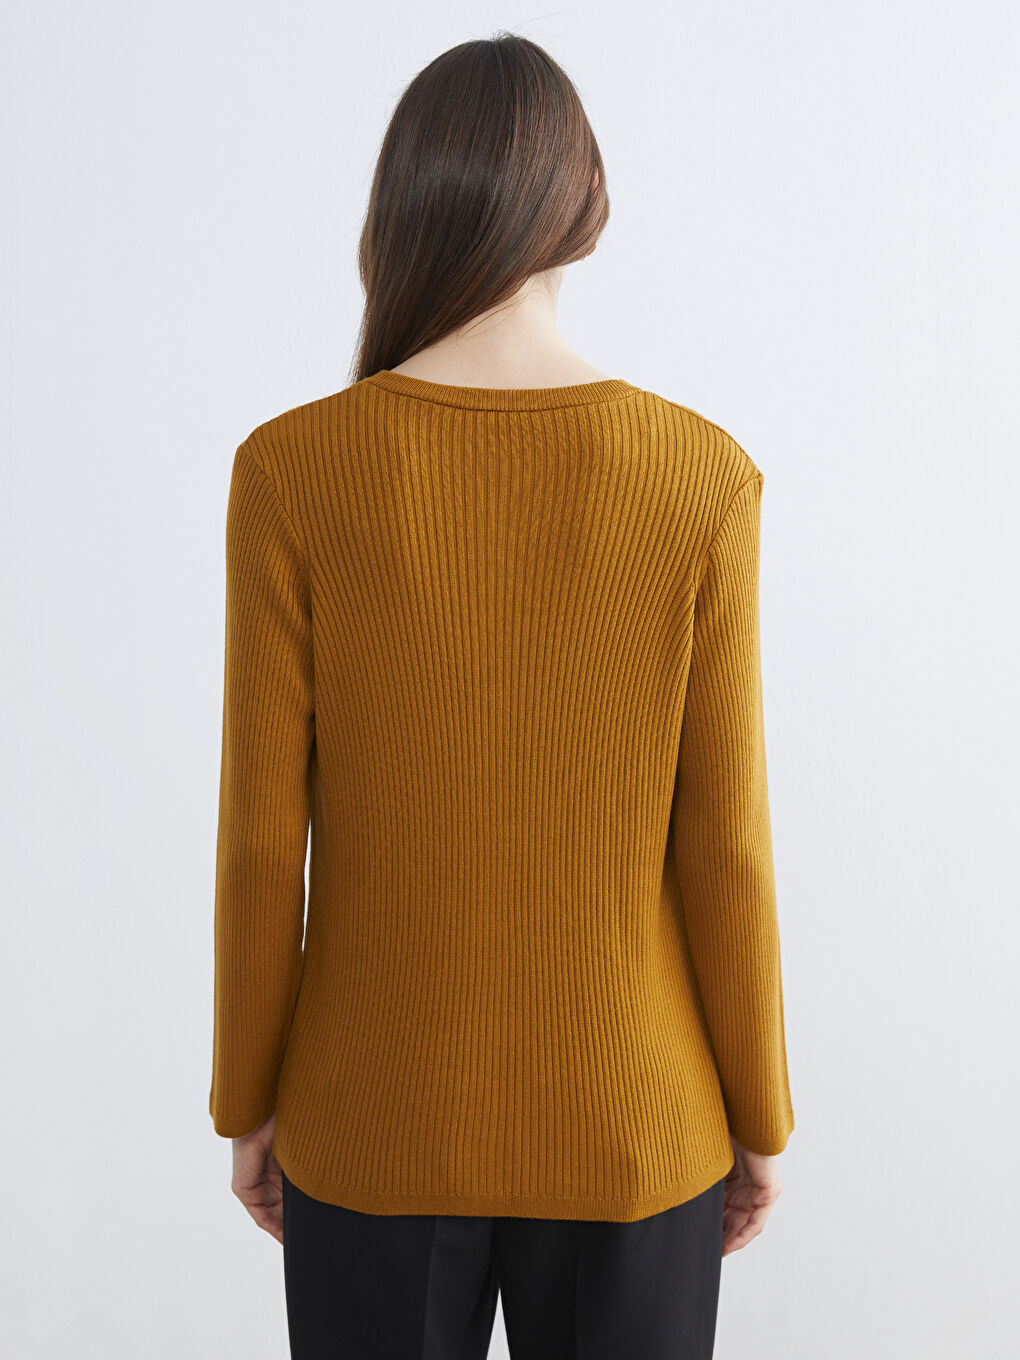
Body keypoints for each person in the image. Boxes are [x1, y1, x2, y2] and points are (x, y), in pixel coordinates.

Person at [208, 31, 794, 1360]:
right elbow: (728, 848)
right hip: (634, 1124)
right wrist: (759, 1112)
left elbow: (259, 842)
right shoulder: (699, 477)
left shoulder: (292, 472)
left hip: (372, 1119)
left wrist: (247, 1096)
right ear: (586, 206)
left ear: (399, 211)